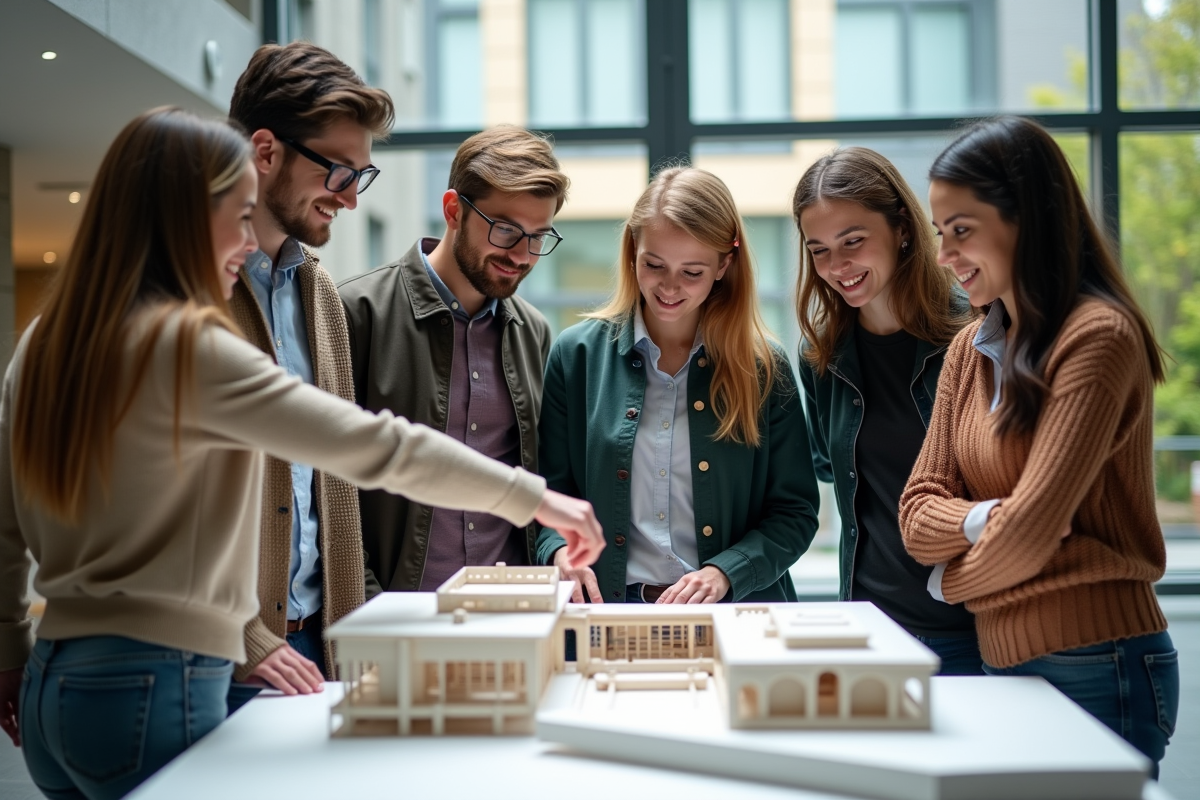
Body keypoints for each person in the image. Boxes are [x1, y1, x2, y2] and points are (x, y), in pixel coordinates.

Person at [0, 107, 602, 800]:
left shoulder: (44, 339)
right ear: (183, 217)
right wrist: (536, 497)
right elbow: (372, 446)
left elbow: (7, 521)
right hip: (155, 684)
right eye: (238, 213)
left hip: (53, 682)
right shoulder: (187, 346)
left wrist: (9, 650)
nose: (247, 239)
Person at [899, 116, 1179, 773]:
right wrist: (988, 519)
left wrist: (947, 583)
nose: (944, 257)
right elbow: (917, 514)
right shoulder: (972, 346)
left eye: (961, 231)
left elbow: (1030, 533)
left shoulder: (1098, 337)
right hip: (1007, 662)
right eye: (941, 234)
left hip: (1099, 659)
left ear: (1028, 220)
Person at [537, 166, 819, 606]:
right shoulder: (575, 356)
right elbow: (548, 497)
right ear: (633, 252)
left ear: (724, 265)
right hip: (607, 610)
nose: (669, 287)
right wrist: (558, 553)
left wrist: (726, 572)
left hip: (736, 613)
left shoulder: (765, 368)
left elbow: (796, 514)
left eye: (692, 272)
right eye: (655, 265)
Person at [224, 41, 394, 709]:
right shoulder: (190, 291)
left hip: (316, 654)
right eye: (339, 172)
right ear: (266, 153)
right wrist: (245, 636)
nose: (350, 199)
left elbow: (340, 477)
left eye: (362, 176)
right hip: (218, 658)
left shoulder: (319, 294)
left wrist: (347, 642)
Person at [339, 126, 565, 592]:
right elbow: (329, 486)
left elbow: (541, 475)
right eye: (505, 230)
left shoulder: (534, 332)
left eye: (538, 236)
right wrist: (369, 603)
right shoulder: (356, 312)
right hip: (394, 618)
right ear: (453, 210)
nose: (522, 255)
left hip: (510, 616)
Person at [791, 148, 980, 675]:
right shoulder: (821, 358)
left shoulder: (976, 337)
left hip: (976, 628)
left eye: (853, 241)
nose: (837, 266)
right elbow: (832, 471)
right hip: (872, 628)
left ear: (901, 227)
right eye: (820, 250)